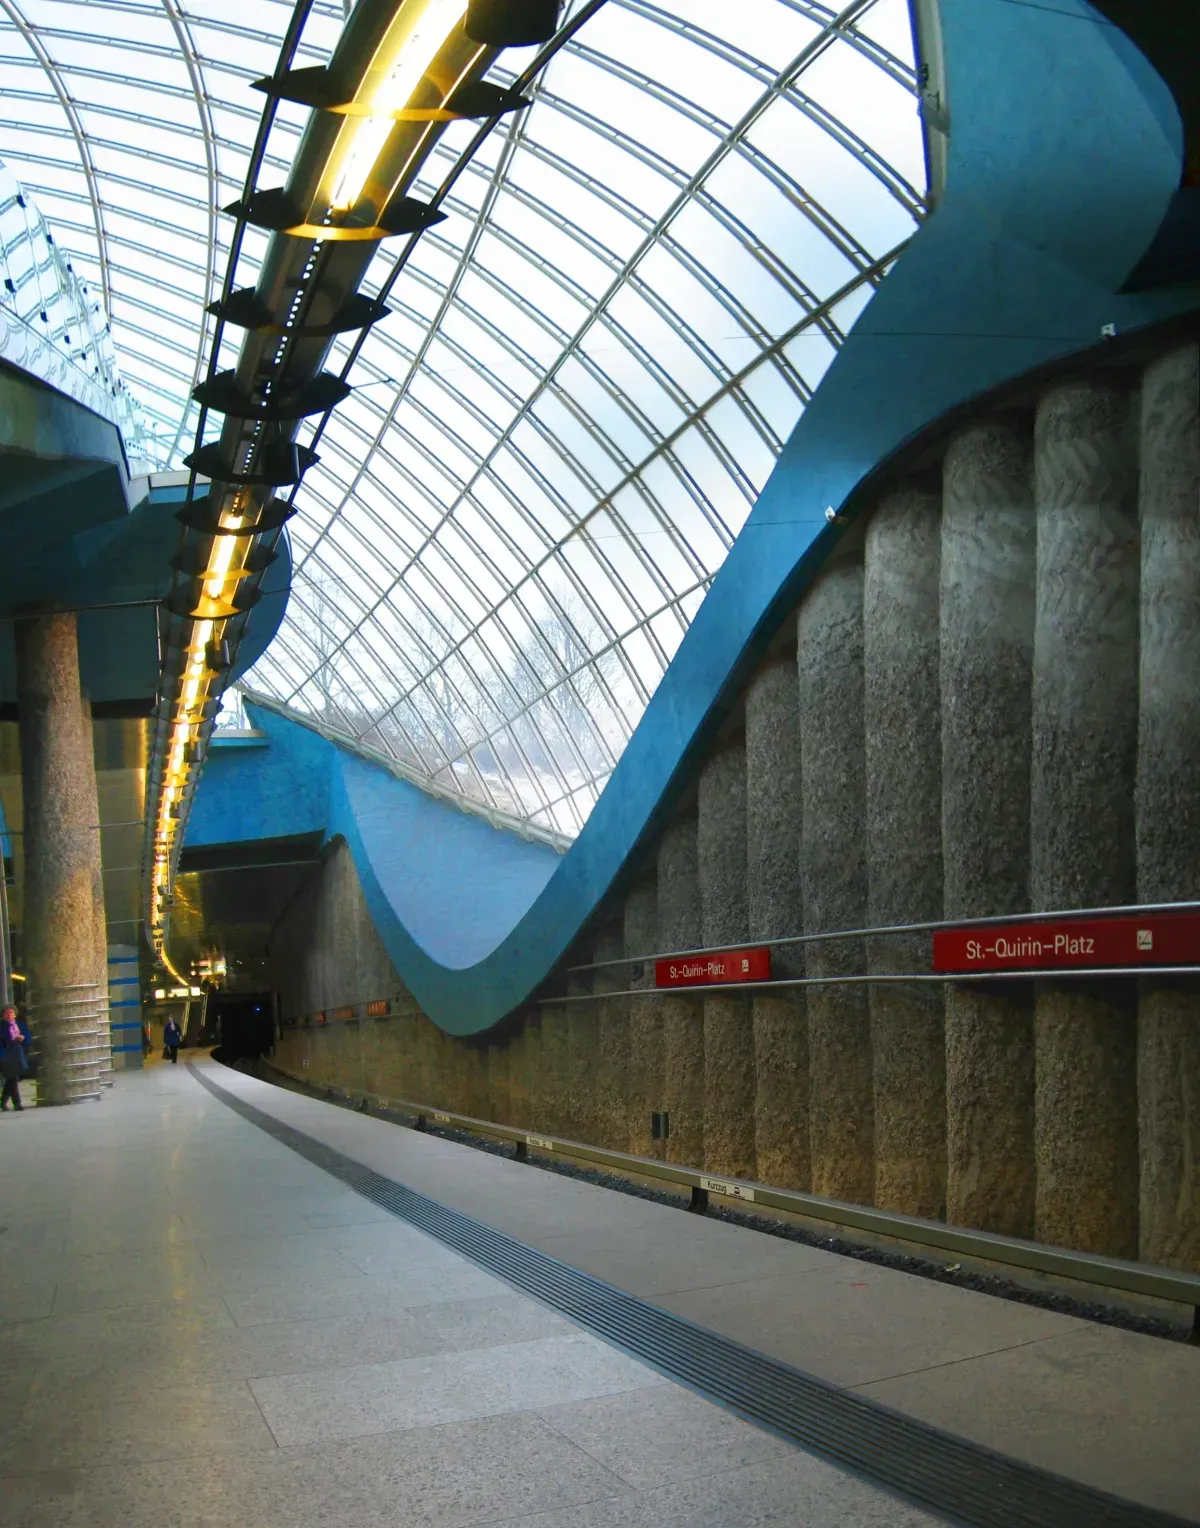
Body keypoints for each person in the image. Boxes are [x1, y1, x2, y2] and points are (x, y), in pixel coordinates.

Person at [0, 1005, 27, 1111]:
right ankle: (17, 1103)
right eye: (7, 1013)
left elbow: (27, 1036)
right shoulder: (1, 1026)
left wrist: (22, 1038)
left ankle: (3, 1102)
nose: (10, 1015)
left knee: (11, 1079)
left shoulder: (18, 1024)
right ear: (3, 1014)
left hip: (17, 1054)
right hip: (5, 1055)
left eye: (12, 1013)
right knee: (12, 1079)